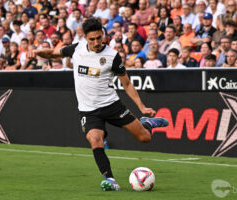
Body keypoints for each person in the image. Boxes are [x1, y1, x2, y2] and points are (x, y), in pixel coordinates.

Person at [28, 17, 168, 191]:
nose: (96, 42)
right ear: (85, 38)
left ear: (103, 35)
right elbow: (51, 53)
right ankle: (110, 179)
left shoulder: (112, 56)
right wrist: (35, 52)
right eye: (92, 39)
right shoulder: (77, 49)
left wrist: (141, 107)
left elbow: (127, 84)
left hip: (111, 105)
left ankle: (147, 124)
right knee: (95, 140)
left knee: (145, 138)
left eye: (99, 38)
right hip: (88, 111)